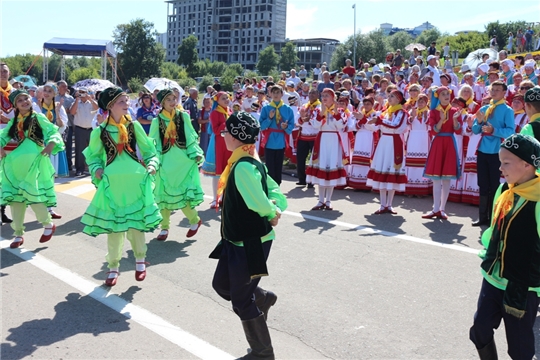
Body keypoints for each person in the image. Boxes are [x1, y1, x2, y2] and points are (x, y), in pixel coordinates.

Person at [209, 111, 286, 359]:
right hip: (236, 239)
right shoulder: (246, 159)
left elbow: (262, 199)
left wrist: (272, 210)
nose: (222, 136)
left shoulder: (244, 166)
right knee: (221, 285)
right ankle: (262, 300)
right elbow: (275, 193)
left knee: (241, 300)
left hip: (251, 242)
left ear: (235, 137)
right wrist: (274, 207)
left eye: (225, 132)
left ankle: (263, 353)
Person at [81, 87, 162, 286]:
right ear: (110, 106)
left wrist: (152, 165)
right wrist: (97, 170)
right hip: (113, 184)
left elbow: (150, 151)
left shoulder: (133, 127)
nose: (127, 105)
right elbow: (92, 156)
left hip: (136, 182)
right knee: (114, 228)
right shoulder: (100, 131)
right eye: (122, 102)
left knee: (136, 224)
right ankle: (113, 266)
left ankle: (140, 261)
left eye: (127, 101)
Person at [469, 133, 540, 360]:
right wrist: (489, 251)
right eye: (500, 162)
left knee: (520, 349)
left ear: (527, 164)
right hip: (493, 277)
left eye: (506, 163)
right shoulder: (504, 190)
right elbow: (494, 228)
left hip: (522, 286)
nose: (500, 168)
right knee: (479, 330)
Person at [0, 89, 64, 248]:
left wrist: (50, 145)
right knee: (16, 199)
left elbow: (52, 131)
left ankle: (48, 225)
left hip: (34, 162)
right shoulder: (13, 122)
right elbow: (3, 136)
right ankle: (18, 234)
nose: (24, 102)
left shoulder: (38, 117)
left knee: (33, 196)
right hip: (16, 165)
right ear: (15, 106)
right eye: (20, 100)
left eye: (26, 98)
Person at [149, 89, 204, 242]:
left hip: (182, 161)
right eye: (168, 100)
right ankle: (164, 227)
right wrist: (154, 161)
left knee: (183, 194)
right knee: (164, 196)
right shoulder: (157, 121)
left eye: (174, 99)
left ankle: (194, 220)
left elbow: (190, 136)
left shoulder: (183, 116)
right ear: (162, 103)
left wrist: (195, 153)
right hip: (165, 162)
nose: (173, 102)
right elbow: (154, 143)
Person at [471, 81, 515, 226]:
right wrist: (478, 122)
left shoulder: (507, 110)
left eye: (498, 90)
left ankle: (494, 218)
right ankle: (482, 216)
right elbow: (476, 130)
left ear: (504, 93)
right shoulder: (484, 108)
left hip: (497, 151)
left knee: (494, 184)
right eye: (492, 89)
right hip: (483, 150)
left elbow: (510, 131)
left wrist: (494, 131)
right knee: (482, 183)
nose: (494, 92)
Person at [421, 87, 462, 219]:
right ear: (437, 97)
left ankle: (442, 209)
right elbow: (433, 131)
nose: (446, 96)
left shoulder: (455, 111)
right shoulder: (433, 112)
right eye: (443, 94)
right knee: (436, 179)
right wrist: (441, 119)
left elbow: (458, 130)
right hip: (438, 143)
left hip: (449, 143)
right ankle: (435, 208)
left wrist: (455, 120)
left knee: (446, 178)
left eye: (447, 94)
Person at [366, 90, 409, 214]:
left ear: (399, 100)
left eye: (393, 96)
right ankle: (382, 204)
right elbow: (374, 126)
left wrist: (378, 121)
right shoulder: (385, 112)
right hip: (384, 142)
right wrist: (365, 120)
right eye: (389, 96)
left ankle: (389, 204)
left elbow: (396, 126)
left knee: (391, 171)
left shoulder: (402, 113)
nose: (389, 98)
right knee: (383, 169)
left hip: (394, 142)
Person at [305, 88, 348, 210]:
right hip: (322, 140)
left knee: (331, 168)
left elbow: (341, 125)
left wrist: (335, 113)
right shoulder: (318, 110)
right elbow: (315, 125)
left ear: (333, 98)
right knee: (322, 168)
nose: (324, 97)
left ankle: (328, 200)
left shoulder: (340, 111)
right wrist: (321, 114)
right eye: (323, 95)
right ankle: (320, 200)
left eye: (327, 95)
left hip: (334, 140)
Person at [259, 85, 295, 185]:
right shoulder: (266, 108)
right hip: (269, 140)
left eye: (278, 92)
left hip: (280, 140)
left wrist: (285, 127)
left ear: (282, 94)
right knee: (269, 166)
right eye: (273, 92)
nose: (275, 95)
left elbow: (292, 125)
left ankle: (277, 185)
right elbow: (261, 126)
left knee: (278, 165)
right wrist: (269, 118)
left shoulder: (287, 109)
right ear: (270, 94)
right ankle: (270, 186)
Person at [202, 91, 233, 208]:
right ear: (217, 101)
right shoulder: (215, 113)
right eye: (223, 98)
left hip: (229, 144)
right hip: (218, 144)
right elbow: (215, 131)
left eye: (227, 97)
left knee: (228, 172)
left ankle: (226, 198)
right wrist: (226, 123)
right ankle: (215, 198)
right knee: (217, 172)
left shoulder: (229, 111)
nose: (226, 100)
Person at [349, 96, 379, 191]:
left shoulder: (375, 114)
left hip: (369, 137)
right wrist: (360, 120)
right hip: (360, 137)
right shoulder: (359, 114)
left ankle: (366, 184)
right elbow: (353, 127)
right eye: (365, 104)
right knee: (358, 159)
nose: (366, 106)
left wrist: (363, 119)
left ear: (372, 105)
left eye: (368, 104)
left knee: (367, 160)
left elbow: (374, 127)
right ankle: (356, 183)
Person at [404, 93, 431, 197]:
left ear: (426, 102)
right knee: (412, 164)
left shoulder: (429, 112)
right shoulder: (412, 111)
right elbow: (407, 123)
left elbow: (430, 125)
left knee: (422, 163)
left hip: (423, 139)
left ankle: (422, 189)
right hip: (413, 138)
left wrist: (426, 118)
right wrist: (412, 117)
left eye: (422, 101)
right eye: (419, 101)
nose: (420, 103)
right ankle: (411, 188)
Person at [70, 87, 98, 176]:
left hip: (91, 129)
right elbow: (72, 112)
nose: (82, 94)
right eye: (80, 92)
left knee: (93, 150)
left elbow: (98, 109)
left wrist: (91, 99)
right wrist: (77, 100)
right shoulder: (76, 103)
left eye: (84, 92)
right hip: (80, 129)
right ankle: (79, 169)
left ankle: (93, 168)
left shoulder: (92, 102)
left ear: (87, 93)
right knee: (79, 150)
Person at [296, 88, 320, 188]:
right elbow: (297, 122)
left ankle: (311, 181)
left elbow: (319, 122)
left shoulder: (320, 107)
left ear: (318, 95)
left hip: (315, 137)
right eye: (310, 93)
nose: (311, 95)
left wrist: (309, 120)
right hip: (303, 136)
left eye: (314, 93)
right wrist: (302, 120)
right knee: (300, 158)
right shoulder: (304, 106)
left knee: (313, 160)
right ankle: (302, 179)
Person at [55, 80, 75, 171]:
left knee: (68, 145)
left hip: (69, 125)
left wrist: (69, 110)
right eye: (63, 86)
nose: (65, 88)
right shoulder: (54, 98)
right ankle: (58, 164)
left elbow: (74, 111)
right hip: (56, 126)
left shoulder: (70, 98)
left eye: (66, 86)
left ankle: (69, 164)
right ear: (58, 87)